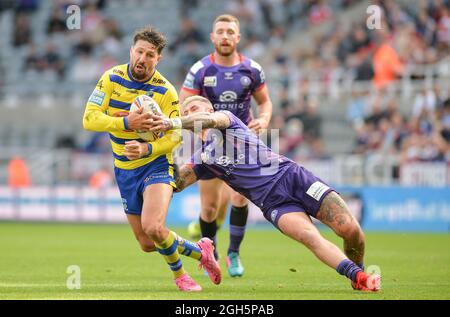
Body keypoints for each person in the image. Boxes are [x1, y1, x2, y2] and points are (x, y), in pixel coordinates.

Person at [145, 95, 381, 292]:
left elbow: (206, 119)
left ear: (209, 109)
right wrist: (154, 151)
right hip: (272, 202)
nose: (190, 112)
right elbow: (174, 183)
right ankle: (359, 277)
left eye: (194, 108)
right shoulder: (202, 159)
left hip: (294, 178)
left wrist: (173, 122)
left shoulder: (227, 119)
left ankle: (357, 268)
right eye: (187, 110)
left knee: (350, 230)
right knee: (311, 238)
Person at [82, 27, 221, 292]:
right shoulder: (111, 78)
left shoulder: (165, 91)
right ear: (131, 51)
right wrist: (126, 121)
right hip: (124, 169)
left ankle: (181, 276)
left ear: (158, 59)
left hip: (157, 165)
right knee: (147, 243)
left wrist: (147, 150)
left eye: (150, 54)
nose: (143, 58)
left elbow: (176, 136)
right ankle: (201, 250)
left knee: (154, 226)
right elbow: (89, 119)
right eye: (139, 52)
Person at [179, 14, 273, 277]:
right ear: (212, 37)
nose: (225, 36)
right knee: (209, 208)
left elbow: (265, 102)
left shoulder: (252, 69)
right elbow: (183, 106)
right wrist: (201, 130)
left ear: (238, 37)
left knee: (239, 197)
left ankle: (234, 253)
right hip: (210, 144)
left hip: (242, 143)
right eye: (220, 31)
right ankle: (213, 254)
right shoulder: (200, 70)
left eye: (230, 32)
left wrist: (264, 119)